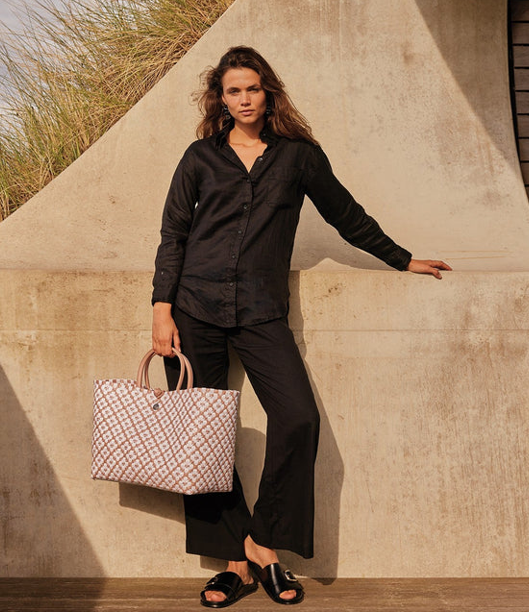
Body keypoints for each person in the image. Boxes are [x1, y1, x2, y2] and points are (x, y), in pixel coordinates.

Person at [151, 46, 451, 608]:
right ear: (220, 99)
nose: (244, 99)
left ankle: (262, 544)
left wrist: (402, 259)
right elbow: (174, 234)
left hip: (261, 310)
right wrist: (161, 309)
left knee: (298, 418)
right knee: (200, 435)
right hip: (193, 308)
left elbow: (346, 215)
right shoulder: (199, 157)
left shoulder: (298, 157)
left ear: (268, 94)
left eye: (253, 89)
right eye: (234, 91)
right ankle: (234, 563)